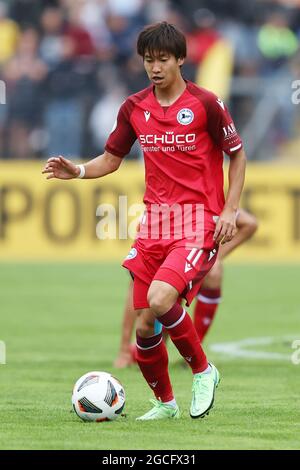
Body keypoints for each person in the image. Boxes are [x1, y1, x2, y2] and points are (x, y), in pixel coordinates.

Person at [42, 22, 246, 420]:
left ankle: (204, 371)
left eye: (163, 60)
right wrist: (79, 172)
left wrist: (231, 210)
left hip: (198, 220)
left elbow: (237, 154)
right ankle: (166, 404)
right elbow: (112, 158)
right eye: (148, 60)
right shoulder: (135, 107)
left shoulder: (206, 103)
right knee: (144, 326)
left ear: (181, 59)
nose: (155, 67)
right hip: (154, 224)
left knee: (160, 298)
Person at [114, 209, 258, 369]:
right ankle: (134, 352)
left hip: (190, 256)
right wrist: (124, 350)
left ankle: (196, 356)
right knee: (151, 324)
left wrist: (214, 257)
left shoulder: (207, 201)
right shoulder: (158, 213)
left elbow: (249, 223)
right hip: (169, 259)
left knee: (213, 272)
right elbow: (135, 284)